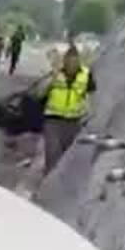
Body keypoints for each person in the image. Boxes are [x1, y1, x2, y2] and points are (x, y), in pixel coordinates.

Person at [38, 44, 96, 173]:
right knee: (52, 155)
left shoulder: (86, 74)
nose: (71, 64)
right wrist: (52, 78)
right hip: (53, 121)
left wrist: (89, 113)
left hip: (74, 122)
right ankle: (49, 180)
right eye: (69, 60)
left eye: (75, 61)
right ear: (64, 60)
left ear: (79, 61)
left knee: (66, 158)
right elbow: (40, 93)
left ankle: (58, 181)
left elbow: (91, 95)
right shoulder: (56, 73)